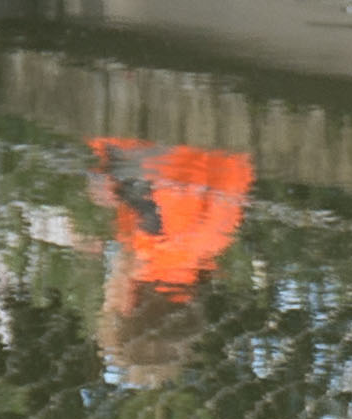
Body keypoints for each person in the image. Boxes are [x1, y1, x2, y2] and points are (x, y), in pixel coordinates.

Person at [84, 140, 254, 389]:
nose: (107, 295)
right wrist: (107, 176)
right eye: (109, 304)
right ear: (128, 304)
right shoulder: (150, 234)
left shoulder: (213, 243)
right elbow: (130, 147)